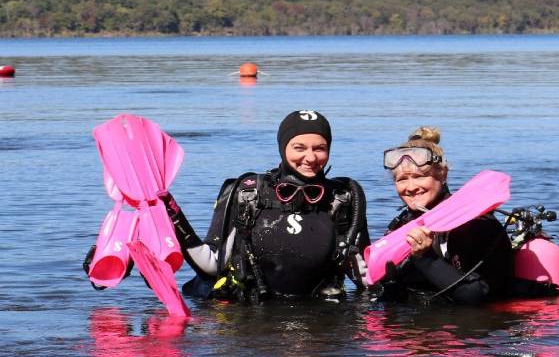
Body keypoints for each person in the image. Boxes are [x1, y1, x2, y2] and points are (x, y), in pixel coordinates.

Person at [162, 110, 371, 302]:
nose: (310, 157)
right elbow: (209, 265)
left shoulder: (343, 198)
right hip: (254, 326)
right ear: (282, 148)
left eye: (320, 148)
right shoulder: (247, 193)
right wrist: (172, 212)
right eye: (299, 148)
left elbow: (366, 278)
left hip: (323, 327)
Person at [377, 126, 512, 305]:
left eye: (420, 176)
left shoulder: (476, 224)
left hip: (475, 327)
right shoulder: (402, 224)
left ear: (442, 174)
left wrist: (425, 258)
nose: (410, 187)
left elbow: (476, 296)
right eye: (402, 179)